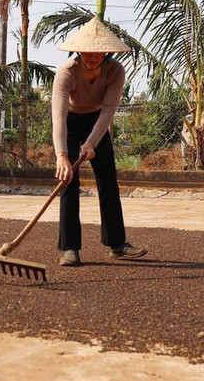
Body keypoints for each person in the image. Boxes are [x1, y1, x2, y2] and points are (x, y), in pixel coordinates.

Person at [51, 17, 147, 267]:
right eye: (87, 51)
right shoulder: (66, 72)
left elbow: (108, 112)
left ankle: (118, 244)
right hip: (70, 122)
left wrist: (92, 142)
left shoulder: (115, 71)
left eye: (98, 51)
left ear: (107, 51)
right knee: (68, 181)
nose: (92, 56)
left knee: (107, 179)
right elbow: (59, 118)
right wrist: (62, 155)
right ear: (79, 50)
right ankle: (70, 248)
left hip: (97, 121)